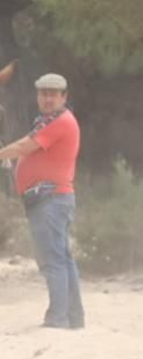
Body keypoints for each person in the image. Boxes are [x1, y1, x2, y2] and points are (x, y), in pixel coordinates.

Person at [0, 73, 84, 329]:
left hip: (50, 200)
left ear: (63, 97)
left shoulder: (60, 122)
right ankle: (73, 317)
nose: (47, 98)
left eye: (52, 94)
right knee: (62, 259)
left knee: (53, 260)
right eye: (43, 93)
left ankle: (58, 318)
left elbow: (25, 146)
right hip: (48, 200)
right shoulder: (49, 121)